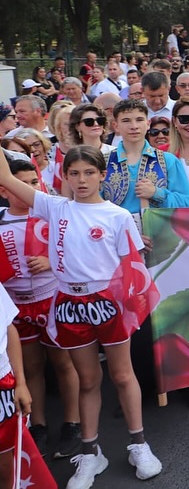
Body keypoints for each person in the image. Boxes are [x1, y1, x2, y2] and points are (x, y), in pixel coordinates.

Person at [0, 146, 164, 486]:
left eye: (89, 173)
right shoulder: (55, 206)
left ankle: (139, 444)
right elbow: (5, 178)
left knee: (122, 375)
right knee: (88, 380)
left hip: (108, 303)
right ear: (64, 176)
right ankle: (91, 453)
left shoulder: (118, 216)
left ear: (102, 175)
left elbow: (131, 269)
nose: (81, 180)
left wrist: (125, 307)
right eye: (74, 173)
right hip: (69, 304)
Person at [0, 158, 82, 459]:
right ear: (4, 190)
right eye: (20, 184)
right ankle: (38, 424)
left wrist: (51, 261)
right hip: (15, 306)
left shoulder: (51, 213)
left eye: (34, 182)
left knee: (63, 363)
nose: (29, 189)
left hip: (51, 298)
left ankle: (73, 422)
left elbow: (77, 248)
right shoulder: (1, 220)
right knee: (31, 366)